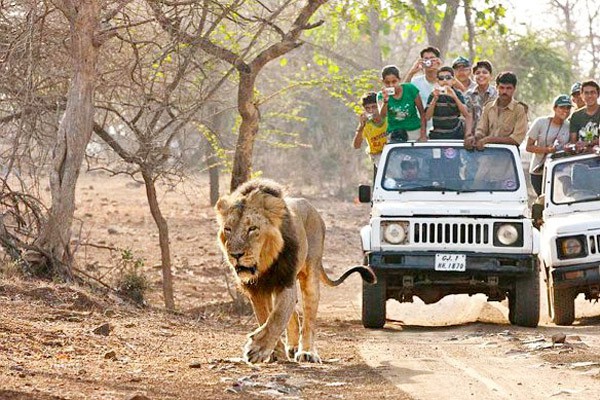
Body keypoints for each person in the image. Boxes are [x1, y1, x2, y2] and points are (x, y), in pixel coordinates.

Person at [525, 94, 572, 196]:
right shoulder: (540, 122)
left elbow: (571, 145)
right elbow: (528, 147)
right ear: (554, 108)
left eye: (568, 108)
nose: (565, 110)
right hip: (538, 171)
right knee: (542, 200)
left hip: (559, 171)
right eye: (562, 107)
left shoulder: (569, 126)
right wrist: (547, 150)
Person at [467, 71, 528, 150]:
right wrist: (475, 138)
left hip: (508, 157)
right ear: (496, 87)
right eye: (502, 88)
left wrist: (489, 140)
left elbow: (516, 139)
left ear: (514, 89)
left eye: (508, 88)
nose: (504, 92)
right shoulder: (489, 107)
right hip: (487, 155)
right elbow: (481, 130)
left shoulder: (519, 109)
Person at [378, 65, 427, 142]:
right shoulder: (381, 95)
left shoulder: (410, 89)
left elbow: (422, 113)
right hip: (394, 133)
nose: (391, 85)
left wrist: (423, 134)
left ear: (399, 80)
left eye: (394, 82)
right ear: (383, 82)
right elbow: (382, 117)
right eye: (387, 83)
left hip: (414, 130)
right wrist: (385, 102)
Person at [425, 67, 471, 140]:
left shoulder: (457, 93)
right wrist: (434, 100)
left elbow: (466, 114)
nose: (445, 80)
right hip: (437, 135)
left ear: (453, 81)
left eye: (448, 77)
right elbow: (427, 117)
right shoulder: (433, 94)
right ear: (437, 81)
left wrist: (455, 97)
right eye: (441, 78)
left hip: (456, 134)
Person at [353, 92, 388, 168]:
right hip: (378, 155)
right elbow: (356, 146)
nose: (371, 111)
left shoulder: (389, 118)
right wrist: (361, 127)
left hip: (392, 151)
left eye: (374, 107)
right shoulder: (366, 124)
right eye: (367, 108)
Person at [464, 60, 497, 138]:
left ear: (491, 76)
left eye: (485, 72)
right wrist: (468, 135)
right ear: (473, 76)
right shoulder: (469, 94)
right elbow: (468, 116)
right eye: (477, 73)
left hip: (493, 137)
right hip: (474, 137)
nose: (481, 75)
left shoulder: (497, 94)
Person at [568, 79, 600, 151]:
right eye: (586, 93)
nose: (589, 96)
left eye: (593, 92)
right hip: (583, 158)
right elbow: (573, 142)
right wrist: (571, 146)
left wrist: (588, 143)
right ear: (582, 95)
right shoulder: (575, 116)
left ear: (598, 94)